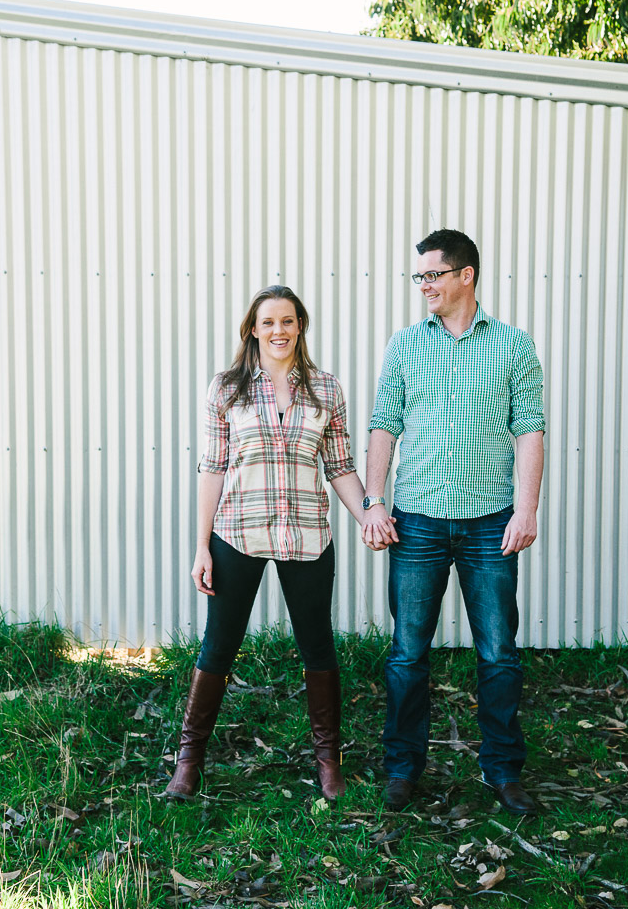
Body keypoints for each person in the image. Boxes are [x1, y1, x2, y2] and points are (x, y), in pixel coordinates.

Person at [361, 229, 545, 815]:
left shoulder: (514, 347)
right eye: (419, 278)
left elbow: (530, 430)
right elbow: (384, 425)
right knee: (408, 653)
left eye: (432, 275)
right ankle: (402, 770)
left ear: (466, 275)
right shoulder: (405, 346)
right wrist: (373, 500)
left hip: (492, 523)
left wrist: (526, 509)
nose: (424, 287)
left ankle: (502, 771)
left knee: (498, 652)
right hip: (416, 522)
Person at [166, 284, 374, 801]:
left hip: (307, 535)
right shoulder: (227, 389)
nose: (278, 331)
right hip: (237, 533)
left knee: (318, 645)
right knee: (220, 645)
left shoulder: (326, 390)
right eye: (268, 322)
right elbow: (212, 469)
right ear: (252, 330)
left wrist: (371, 512)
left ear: (300, 326)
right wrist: (200, 547)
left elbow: (341, 467)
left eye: (287, 321)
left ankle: (329, 761)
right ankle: (189, 761)